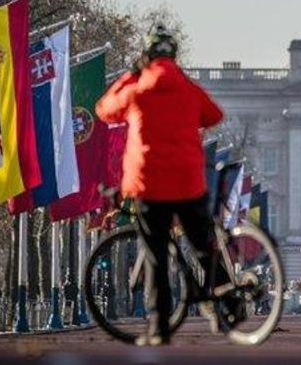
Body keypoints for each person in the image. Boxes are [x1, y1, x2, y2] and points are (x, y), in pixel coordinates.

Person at [96, 24, 225, 346]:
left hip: (149, 184)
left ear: (147, 57)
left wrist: (128, 76)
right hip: (187, 182)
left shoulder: (137, 89)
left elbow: (104, 110)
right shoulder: (188, 89)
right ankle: (227, 301)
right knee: (203, 245)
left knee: (156, 254)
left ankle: (159, 326)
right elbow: (214, 116)